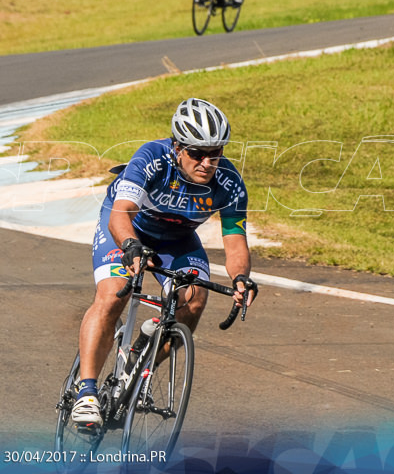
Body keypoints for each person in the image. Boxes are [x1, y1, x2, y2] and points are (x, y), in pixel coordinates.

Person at [71, 97, 258, 428]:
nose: (206, 162)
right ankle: (86, 393)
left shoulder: (229, 182)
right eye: (197, 153)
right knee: (114, 293)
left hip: (178, 239)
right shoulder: (152, 159)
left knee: (194, 300)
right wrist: (130, 247)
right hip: (128, 228)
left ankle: (138, 370)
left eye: (215, 154)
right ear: (177, 147)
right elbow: (121, 214)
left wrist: (241, 278)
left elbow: (235, 241)